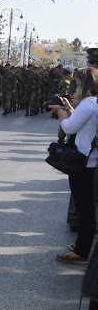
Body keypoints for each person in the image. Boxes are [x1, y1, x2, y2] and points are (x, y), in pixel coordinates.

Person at [50, 67, 98, 264]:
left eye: (78, 83)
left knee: (83, 207)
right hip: (91, 161)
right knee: (87, 206)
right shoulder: (94, 103)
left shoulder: (88, 103)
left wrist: (61, 111)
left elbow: (69, 127)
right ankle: (83, 244)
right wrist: (70, 109)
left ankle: (81, 251)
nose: (75, 86)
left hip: (83, 163)